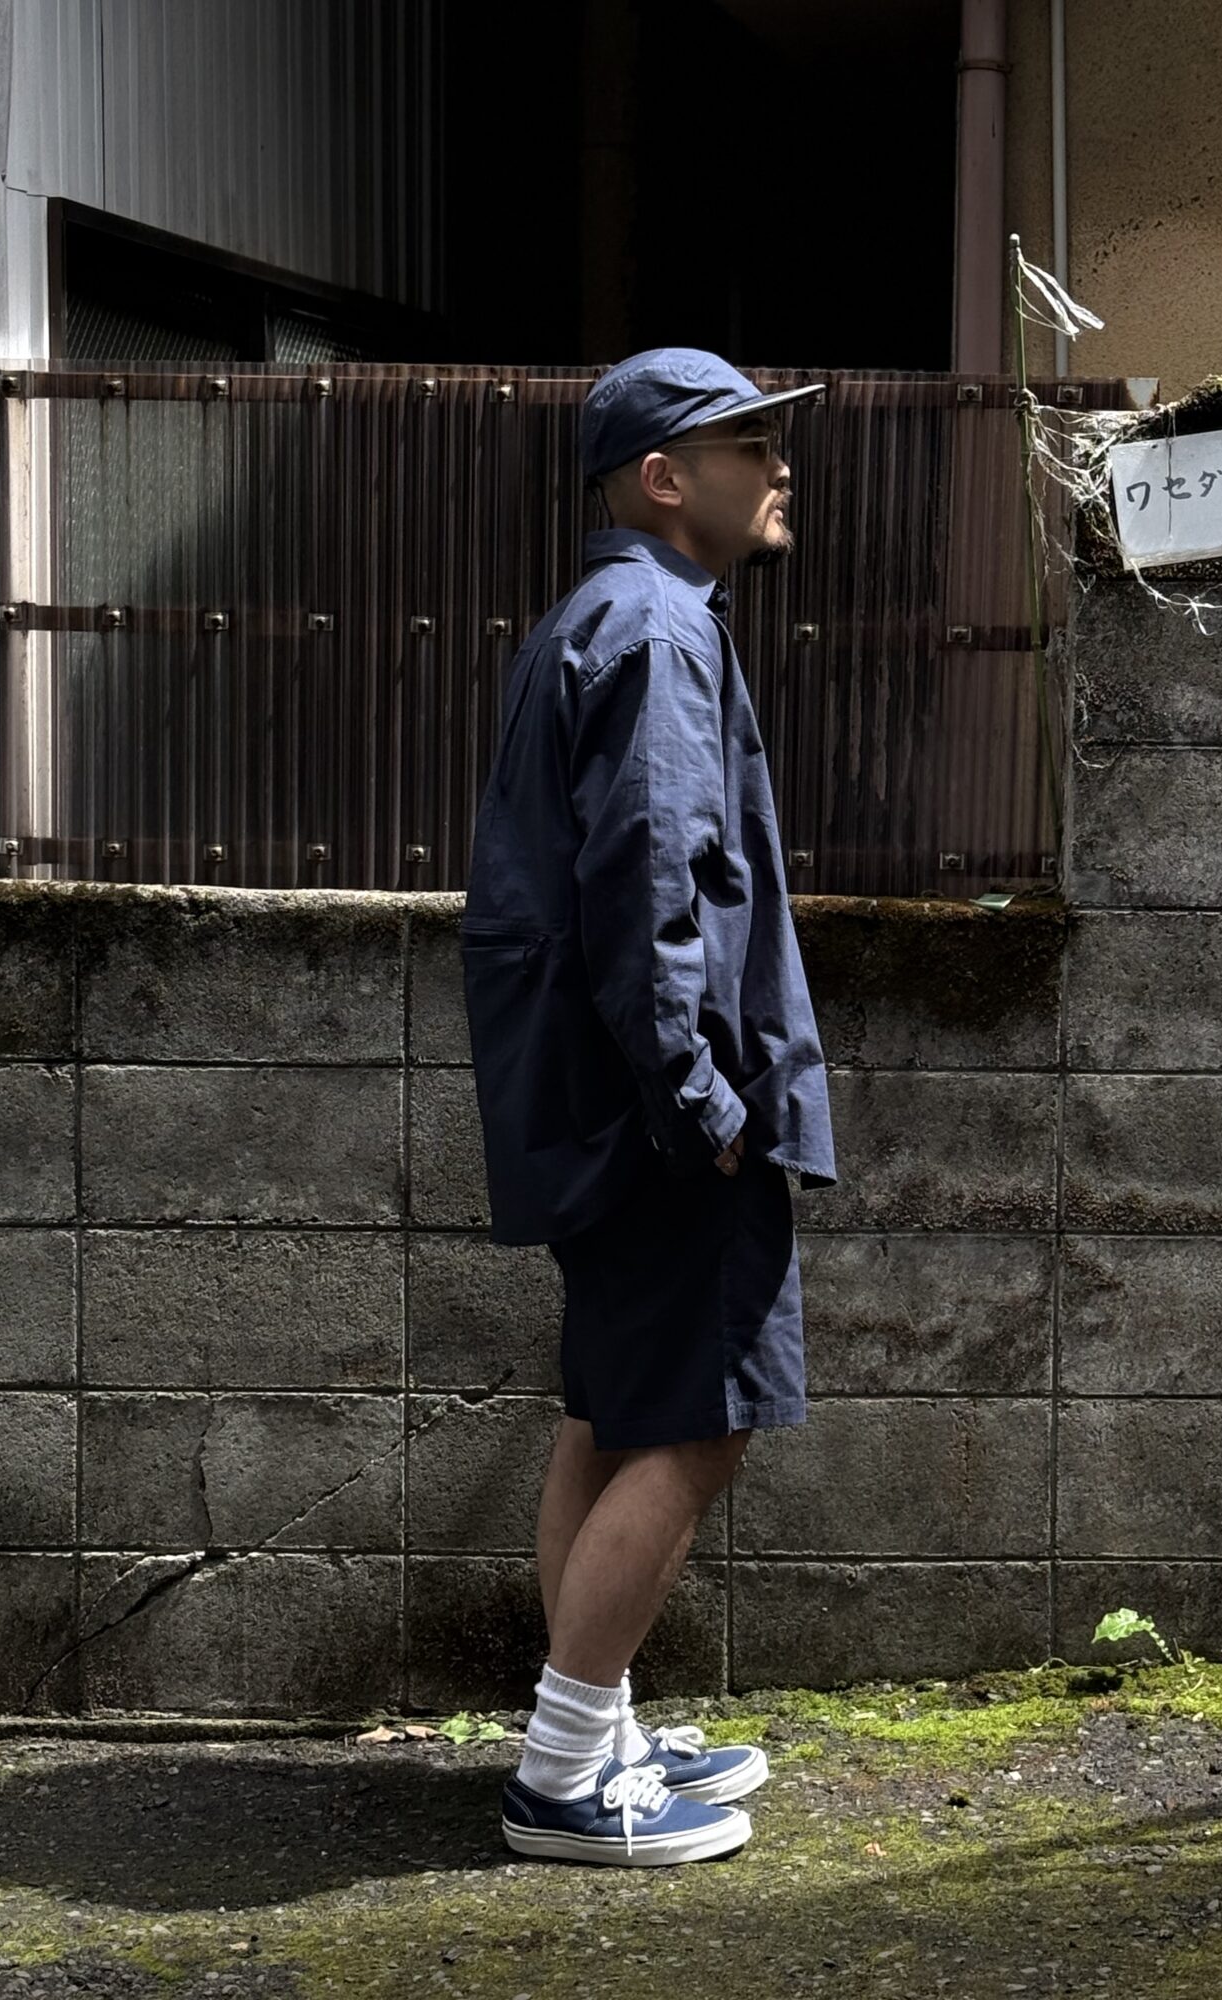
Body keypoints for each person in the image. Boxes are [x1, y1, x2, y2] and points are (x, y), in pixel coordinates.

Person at [461, 348, 836, 1866]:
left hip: (595, 1103)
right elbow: (648, 882)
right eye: (751, 444)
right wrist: (706, 1101)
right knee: (698, 1425)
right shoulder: (659, 630)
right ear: (665, 480)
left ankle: (596, 1732)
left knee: (612, 1417)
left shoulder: (605, 618)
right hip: (664, 1110)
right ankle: (564, 1775)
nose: (782, 466)